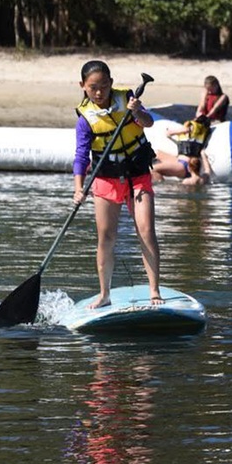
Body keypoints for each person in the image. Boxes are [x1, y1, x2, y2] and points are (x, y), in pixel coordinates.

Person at [73, 60, 162, 309]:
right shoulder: (85, 118)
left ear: (111, 83)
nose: (99, 92)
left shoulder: (128, 99)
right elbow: (81, 156)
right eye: (93, 88)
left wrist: (136, 112)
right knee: (106, 237)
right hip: (106, 179)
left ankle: (154, 290)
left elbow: (148, 122)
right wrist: (78, 188)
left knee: (146, 231)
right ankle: (104, 294)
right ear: (83, 86)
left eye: (103, 86)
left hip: (137, 174)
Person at [152, 115, 214, 185]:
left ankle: (162, 187)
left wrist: (169, 130)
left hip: (182, 165)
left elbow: (168, 134)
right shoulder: (203, 133)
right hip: (185, 163)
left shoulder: (190, 128)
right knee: (157, 153)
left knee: (153, 169)